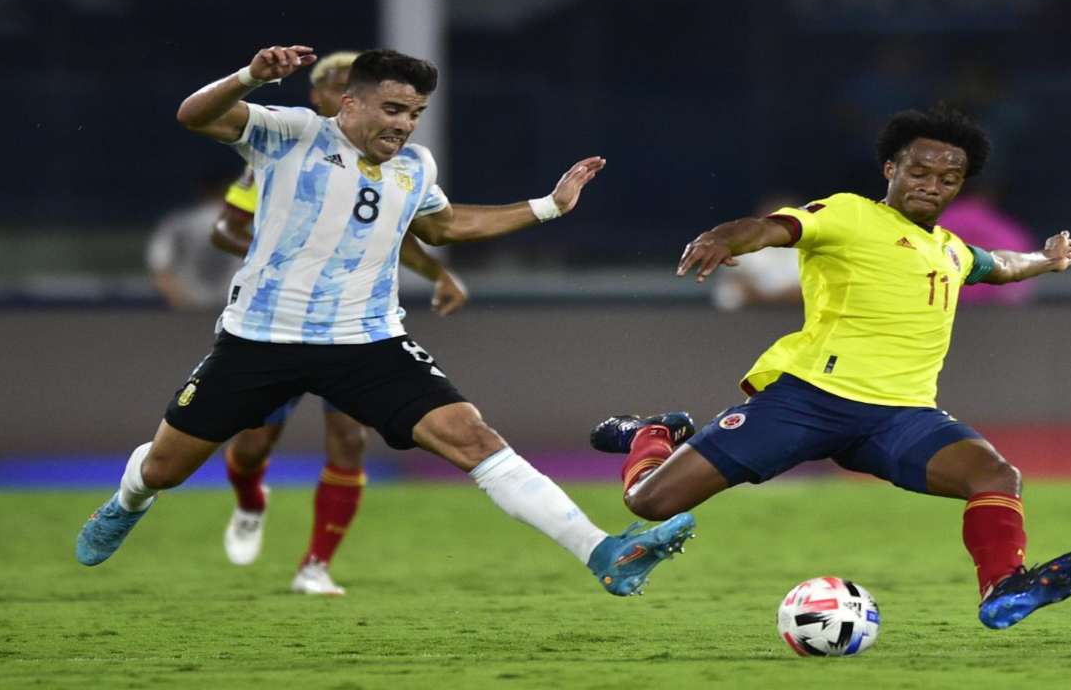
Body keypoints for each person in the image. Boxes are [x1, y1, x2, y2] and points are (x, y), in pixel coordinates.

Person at [76, 44, 696, 598]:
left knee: (475, 439)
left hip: (368, 341)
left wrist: (548, 207)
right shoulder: (292, 132)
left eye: (415, 113)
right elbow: (194, 116)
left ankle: (604, 554)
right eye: (393, 109)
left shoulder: (414, 166)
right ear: (351, 102)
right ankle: (129, 502)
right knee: (165, 468)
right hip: (261, 338)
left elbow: (444, 225)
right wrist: (247, 77)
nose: (404, 124)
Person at [590, 105, 1071, 629]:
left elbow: (1001, 265)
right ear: (890, 170)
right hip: (808, 400)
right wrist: (722, 237)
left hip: (900, 416)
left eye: (948, 178)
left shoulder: (950, 251)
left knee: (995, 475)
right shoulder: (849, 214)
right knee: (650, 502)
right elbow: (769, 228)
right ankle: (653, 433)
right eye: (919, 172)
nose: (932, 186)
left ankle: (1003, 587)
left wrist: (1047, 259)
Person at [211, 50, 470, 596]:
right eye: (330, 82)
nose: (400, 118)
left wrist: (438, 275)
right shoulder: (281, 146)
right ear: (328, 98)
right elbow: (226, 228)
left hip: (353, 327)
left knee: (348, 442)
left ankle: (315, 565)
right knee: (254, 444)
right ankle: (251, 498)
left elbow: (400, 232)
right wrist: (288, 255)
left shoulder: (394, 164)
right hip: (281, 323)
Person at [146, 178, 243, 310]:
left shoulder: (178, 222)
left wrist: (181, 304)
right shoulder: (252, 225)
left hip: (190, 308)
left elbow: (161, 270)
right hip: (234, 311)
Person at [710, 195, 802, 312]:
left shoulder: (810, 251)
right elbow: (729, 295)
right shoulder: (741, 249)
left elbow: (809, 292)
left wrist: (766, 297)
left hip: (796, 319)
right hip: (746, 321)